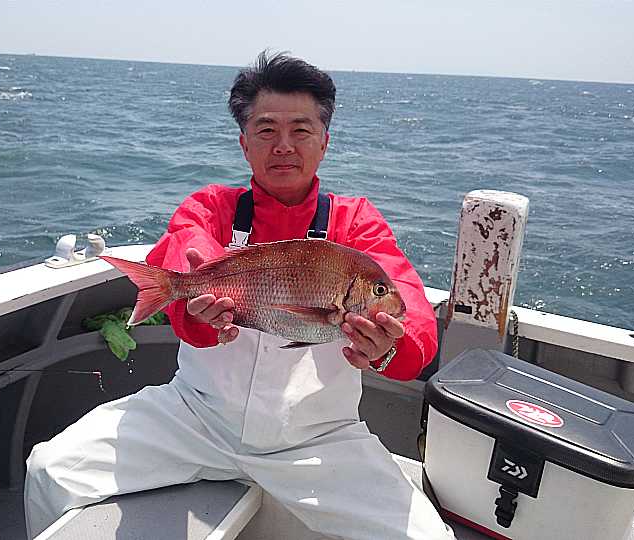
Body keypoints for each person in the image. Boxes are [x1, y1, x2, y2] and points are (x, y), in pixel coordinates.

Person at [24, 51, 454, 540]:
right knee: (50, 472)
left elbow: (411, 313)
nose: (283, 146)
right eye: (266, 130)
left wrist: (391, 347)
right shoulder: (210, 207)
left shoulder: (356, 223)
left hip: (316, 439)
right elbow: (186, 246)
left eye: (301, 130)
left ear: (325, 141)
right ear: (244, 143)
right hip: (194, 419)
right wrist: (201, 302)